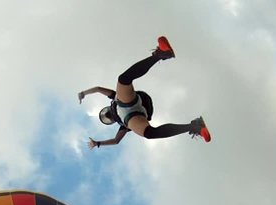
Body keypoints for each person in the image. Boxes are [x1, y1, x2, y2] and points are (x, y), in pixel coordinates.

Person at [78, 36, 211, 149]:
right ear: (111, 122)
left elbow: (98, 89)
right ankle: (195, 126)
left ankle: (161, 54)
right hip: (134, 117)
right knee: (149, 133)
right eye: (107, 119)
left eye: (105, 115)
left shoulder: (113, 98)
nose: (108, 115)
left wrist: (84, 93)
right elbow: (116, 140)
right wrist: (98, 143)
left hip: (128, 103)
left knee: (123, 79)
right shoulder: (122, 126)